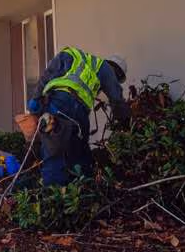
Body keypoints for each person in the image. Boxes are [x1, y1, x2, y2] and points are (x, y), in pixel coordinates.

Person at [27, 47, 130, 186]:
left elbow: (48, 72)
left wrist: (37, 97)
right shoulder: (106, 69)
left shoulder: (75, 56)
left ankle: (69, 191)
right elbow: (117, 100)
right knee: (71, 152)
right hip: (71, 108)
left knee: (63, 147)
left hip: (59, 104)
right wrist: (126, 124)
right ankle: (60, 194)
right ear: (116, 71)